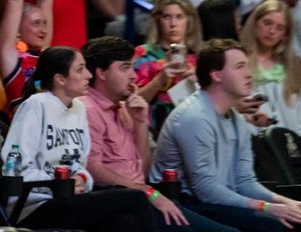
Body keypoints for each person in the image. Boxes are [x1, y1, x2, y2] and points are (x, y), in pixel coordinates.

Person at [150, 39, 301, 232]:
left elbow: (245, 181)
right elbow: (206, 190)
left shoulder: (237, 120)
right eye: (239, 67)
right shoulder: (194, 117)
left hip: (217, 199)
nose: (249, 74)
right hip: (184, 203)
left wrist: (288, 203)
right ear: (216, 74)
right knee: (271, 226)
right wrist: (269, 208)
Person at [82, 36, 233, 232]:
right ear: (101, 73)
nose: (134, 77)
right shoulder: (87, 109)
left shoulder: (124, 108)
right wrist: (149, 193)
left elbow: (142, 172)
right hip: (121, 204)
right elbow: (94, 170)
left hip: (145, 198)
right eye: (125, 68)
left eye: (133, 67)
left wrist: (140, 123)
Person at [0, 46, 157, 232]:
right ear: (60, 79)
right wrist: (59, 185)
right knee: (135, 197)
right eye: (81, 69)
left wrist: (81, 178)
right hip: (33, 206)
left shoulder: (78, 109)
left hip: (69, 198)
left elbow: (79, 165)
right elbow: (16, 169)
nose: (89, 75)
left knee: (125, 222)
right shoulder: (36, 105)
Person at [240, 0, 301, 135]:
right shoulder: (239, 62)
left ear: (285, 35)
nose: (272, 31)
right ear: (255, 23)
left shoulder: (293, 65)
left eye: (280, 28)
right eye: (267, 23)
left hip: (292, 146)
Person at [133, 0, 201, 132]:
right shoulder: (142, 54)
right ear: (158, 20)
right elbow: (132, 101)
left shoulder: (200, 57)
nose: (173, 24)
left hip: (192, 130)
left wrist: (196, 83)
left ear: (188, 20)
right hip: (150, 132)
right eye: (166, 17)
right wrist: (160, 80)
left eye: (179, 17)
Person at [0, 0, 52, 113]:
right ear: (17, 30)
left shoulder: (46, 57)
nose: (43, 30)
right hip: (26, 135)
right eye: (35, 24)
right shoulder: (10, 58)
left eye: (44, 23)